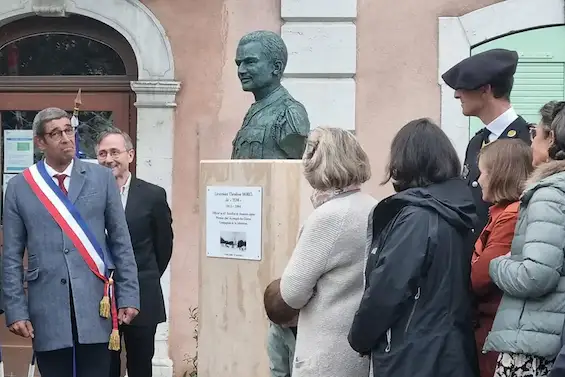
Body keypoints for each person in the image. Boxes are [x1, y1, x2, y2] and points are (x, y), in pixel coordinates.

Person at [2, 107, 140, 377]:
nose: (66, 138)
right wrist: (16, 309)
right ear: (40, 142)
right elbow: (11, 255)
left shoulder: (101, 179)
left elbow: (121, 241)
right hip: (47, 307)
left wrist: (129, 296)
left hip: (95, 304)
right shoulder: (20, 187)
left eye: (69, 130)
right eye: (56, 133)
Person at [348, 118, 478, 377]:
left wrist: (359, 338)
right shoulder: (456, 209)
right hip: (450, 350)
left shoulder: (417, 218)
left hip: (414, 357)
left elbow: (389, 288)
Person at [280, 127, 374, 377]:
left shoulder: (328, 217)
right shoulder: (373, 207)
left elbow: (292, 292)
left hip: (327, 351)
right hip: (359, 347)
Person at [484, 101, 565, 376]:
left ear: (551, 139)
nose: (531, 144)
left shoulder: (550, 193)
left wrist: (498, 264)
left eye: (535, 135)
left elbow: (535, 275)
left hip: (533, 346)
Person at [96, 129, 174, 377]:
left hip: (142, 297)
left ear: (130, 155)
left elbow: (164, 247)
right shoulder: (88, 196)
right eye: (103, 153)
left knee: (140, 366)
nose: (109, 159)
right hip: (101, 300)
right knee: (104, 366)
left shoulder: (152, 195)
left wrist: (142, 277)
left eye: (115, 152)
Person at [442, 48, 531, 233]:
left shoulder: (528, 141)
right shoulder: (477, 142)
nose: (457, 95)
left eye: (464, 87)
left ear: (485, 89)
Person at [471, 139, 533, 377]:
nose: (478, 180)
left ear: (500, 175)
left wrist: (474, 260)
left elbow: (480, 277)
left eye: (483, 172)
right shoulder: (501, 212)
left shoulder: (511, 216)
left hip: (497, 328)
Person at [232, 30, 310, 159]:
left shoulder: (290, 113)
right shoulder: (254, 111)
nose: (241, 70)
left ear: (276, 67)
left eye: (250, 62)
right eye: (239, 63)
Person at [264, 279, 299, 377]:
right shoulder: (276, 332)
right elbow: (278, 371)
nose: (284, 326)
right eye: (280, 324)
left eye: (289, 322)